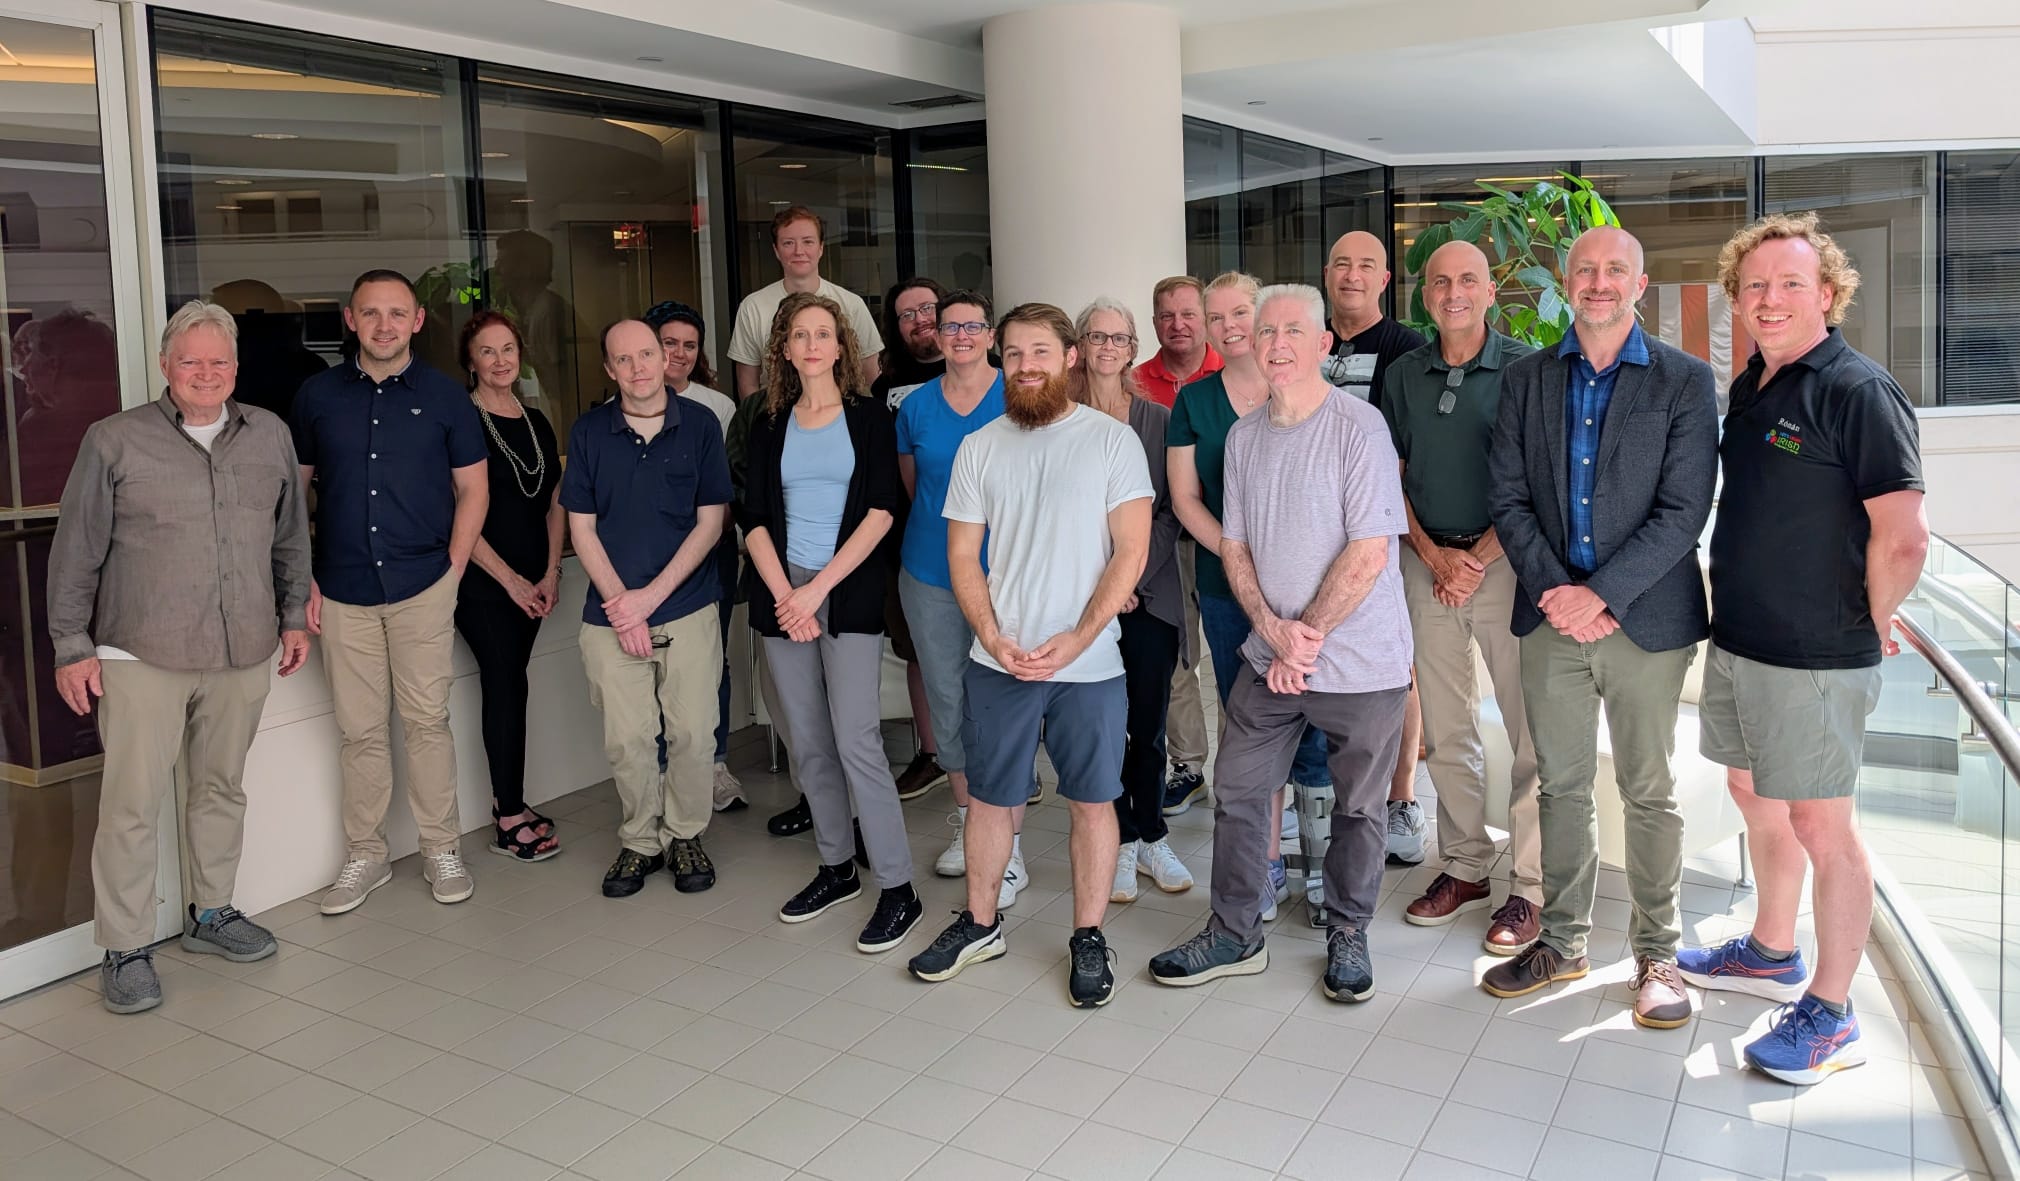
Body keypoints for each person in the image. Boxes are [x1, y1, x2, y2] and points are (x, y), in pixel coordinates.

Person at [1682, 212, 1927, 1083]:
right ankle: (1771, 949)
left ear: (1827, 293)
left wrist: (1871, 616)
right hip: (1742, 640)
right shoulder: (1754, 382)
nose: (1770, 299)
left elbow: (1903, 536)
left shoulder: (1858, 390)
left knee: (1828, 827)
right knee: (1754, 792)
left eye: (1790, 284)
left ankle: (1830, 1012)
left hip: (1817, 654)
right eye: (1754, 287)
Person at [1480, 227, 1719, 1032]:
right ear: (1565, 280)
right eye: (1585, 269)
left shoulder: (1686, 382)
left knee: (1648, 789)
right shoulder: (1526, 379)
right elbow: (1507, 497)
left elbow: (1685, 508)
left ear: (1640, 283)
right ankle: (1563, 940)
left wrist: (1601, 596)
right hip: (1551, 618)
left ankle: (1657, 952)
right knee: (1560, 784)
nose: (1600, 282)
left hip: (1646, 620)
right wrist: (1558, 591)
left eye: (1616, 269)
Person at [47, 300, 312, 1013]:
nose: (205, 372)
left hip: (244, 645)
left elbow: (289, 538)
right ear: (165, 365)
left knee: (220, 786)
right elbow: (76, 551)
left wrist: (293, 617)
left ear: (235, 367)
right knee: (131, 802)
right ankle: (126, 944)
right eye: (190, 360)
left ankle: (211, 912)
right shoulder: (114, 441)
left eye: (218, 361)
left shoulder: (269, 436)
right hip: (141, 649)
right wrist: (71, 646)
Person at [1150, 283, 1411, 1000]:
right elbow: (1234, 546)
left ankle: (1349, 932)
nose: (1277, 344)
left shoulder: (1360, 428)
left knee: (1359, 805)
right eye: (1265, 332)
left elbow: (1369, 553)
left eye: (1293, 330)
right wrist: (1274, 632)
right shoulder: (1242, 437)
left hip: (1360, 663)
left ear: (1325, 343)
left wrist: (1310, 637)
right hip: (1271, 658)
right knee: (1237, 787)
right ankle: (1234, 931)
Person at [906, 302, 1152, 1009]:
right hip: (1001, 661)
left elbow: (1131, 550)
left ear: (1070, 355)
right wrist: (989, 634)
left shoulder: (1110, 442)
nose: (1026, 365)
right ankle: (981, 923)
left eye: (1039, 351)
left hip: (1091, 665)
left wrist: (1078, 636)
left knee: (1092, 801)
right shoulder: (981, 446)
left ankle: (1088, 934)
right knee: (988, 799)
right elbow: (962, 553)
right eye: (1013, 354)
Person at [295, 270, 489, 914]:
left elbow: (474, 491)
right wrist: (305, 580)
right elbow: (294, 497)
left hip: (422, 584)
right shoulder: (317, 396)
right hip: (343, 589)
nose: (384, 325)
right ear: (350, 319)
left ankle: (440, 847)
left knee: (427, 723)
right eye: (371, 313)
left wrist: (454, 572)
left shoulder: (446, 398)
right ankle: (367, 855)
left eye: (396, 313)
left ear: (417, 321)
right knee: (359, 731)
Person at [739, 292, 924, 952]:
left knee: (856, 740)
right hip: (780, 593)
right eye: (799, 334)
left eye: (824, 333)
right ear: (784, 348)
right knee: (809, 743)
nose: (812, 343)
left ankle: (899, 886)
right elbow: (753, 517)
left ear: (841, 346)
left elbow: (880, 512)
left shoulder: (870, 419)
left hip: (844, 595)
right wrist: (787, 595)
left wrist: (815, 588)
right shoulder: (767, 422)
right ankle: (838, 867)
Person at [1387, 242, 1542, 955]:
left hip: (1503, 563)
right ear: (1425, 293)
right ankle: (1466, 866)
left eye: (1468, 280)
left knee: (1526, 729)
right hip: (1428, 564)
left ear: (1489, 292)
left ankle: (1531, 887)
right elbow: (1393, 474)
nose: (1453, 291)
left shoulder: (1524, 368)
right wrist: (1430, 553)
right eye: (1441, 280)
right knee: (1448, 730)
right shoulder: (1403, 374)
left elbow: (1534, 480)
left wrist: (1475, 559)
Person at [1166, 271, 1328, 924]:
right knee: (1250, 730)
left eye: (1243, 313)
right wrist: (1238, 554)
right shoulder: (1194, 402)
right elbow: (1184, 497)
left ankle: (1320, 868)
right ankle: (1261, 871)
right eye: (1219, 316)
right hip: (1229, 588)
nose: (1231, 326)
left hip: (1312, 590)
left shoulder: (1306, 390)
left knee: (1317, 724)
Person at [563, 320, 732, 898]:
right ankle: (640, 840)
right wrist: (621, 605)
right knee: (628, 738)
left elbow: (711, 522)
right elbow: (580, 529)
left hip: (685, 606)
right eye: (623, 359)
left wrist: (649, 601)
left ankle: (685, 833)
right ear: (609, 370)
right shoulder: (589, 433)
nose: (638, 368)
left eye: (647, 354)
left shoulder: (701, 425)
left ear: (665, 359)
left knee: (691, 732)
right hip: (609, 615)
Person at [893, 291, 1024, 902]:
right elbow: (919, 490)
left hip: (1009, 575)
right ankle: (973, 822)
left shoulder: (1019, 396)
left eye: (973, 325)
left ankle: (1011, 844)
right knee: (948, 698)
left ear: (991, 335)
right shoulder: (914, 408)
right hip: (930, 574)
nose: (962, 335)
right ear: (936, 336)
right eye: (950, 327)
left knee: (1003, 703)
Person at [1072, 297, 1195, 904]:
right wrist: (1104, 584)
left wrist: (1133, 573)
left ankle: (1150, 832)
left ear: (1131, 348)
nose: (1109, 348)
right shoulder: (1059, 418)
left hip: (1151, 591)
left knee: (1146, 723)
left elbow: (1174, 508)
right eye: (1098, 337)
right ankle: (1117, 838)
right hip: (1084, 597)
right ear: (1080, 344)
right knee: (1102, 725)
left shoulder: (1159, 419)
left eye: (1120, 338)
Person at [1320, 229, 1432, 862]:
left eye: (1367, 265)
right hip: (1309, 539)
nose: (1353, 275)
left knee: (1397, 667)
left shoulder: (1406, 350)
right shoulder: (1307, 342)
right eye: (1342, 264)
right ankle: (1325, 795)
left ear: (1386, 280)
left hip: (1383, 539)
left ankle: (1401, 798)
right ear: (1327, 274)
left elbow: (1409, 452)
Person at [456, 311, 564, 861]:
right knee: (504, 685)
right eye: (487, 351)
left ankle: (514, 801)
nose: (501, 361)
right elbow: (458, 517)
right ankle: (507, 815)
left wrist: (550, 572)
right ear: (470, 361)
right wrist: (513, 582)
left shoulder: (537, 420)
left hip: (532, 583)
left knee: (514, 684)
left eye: (508, 349)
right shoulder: (462, 421)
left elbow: (555, 504)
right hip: (483, 585)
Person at [645, 299, 744, 812]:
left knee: (711, 660)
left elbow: (727, 491)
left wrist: (707, 534)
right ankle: (663, 769)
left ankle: (715, 764)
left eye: (689, 344)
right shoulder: (621, 403)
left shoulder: (717, 407)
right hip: (646, 559)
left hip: (710, 553)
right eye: (668, 342)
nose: (679, 353)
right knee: (654, 664)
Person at [1135, 277, 1218, 835]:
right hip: (1166, 536)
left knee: (1244, 656)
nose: (1177, 324)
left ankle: (1251, 766)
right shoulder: (1137, 382)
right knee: (1180, 655)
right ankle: (1189, 766)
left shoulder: (1239, 365)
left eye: (1187, 313)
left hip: (1229, 534)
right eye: (1166, 315)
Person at [869, 277, 956, 801]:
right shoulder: (885, 391)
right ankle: (933, 753)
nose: (921, 319)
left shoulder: (979, 374)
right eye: (907, 314)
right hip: (909, 544)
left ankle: (1006, 761)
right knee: (921, 653)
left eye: (928, 308)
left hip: (986, 544)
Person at [727, 206, 883, 398]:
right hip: (777, 419)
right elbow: (747, 384)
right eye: (788, 243)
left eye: (808, 242)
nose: (799, 251)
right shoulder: (752, 307)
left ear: (821, 248)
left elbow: (872, 375)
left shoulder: (852, 304)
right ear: (776, 250)